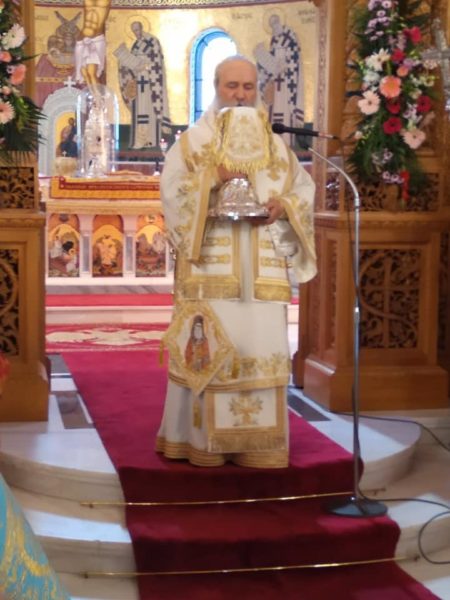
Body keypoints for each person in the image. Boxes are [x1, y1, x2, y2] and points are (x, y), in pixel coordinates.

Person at [156, 55, 316, 469]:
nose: (241, 95)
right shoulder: (193, 142)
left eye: (248, 86)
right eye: (232, 86)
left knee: (260, 352)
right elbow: (172, 193)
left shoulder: (276, 146)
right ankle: (201, 443)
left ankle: (260, 446)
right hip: (211, 273)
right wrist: (212, 178)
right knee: (210, 353)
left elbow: (303, 189)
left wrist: (284, 206)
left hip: (262, 277)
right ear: (216, 87)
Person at [114, 21, 171, 149]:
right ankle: (139, 140)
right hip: (138, 82)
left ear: (142, 28)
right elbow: (130, 65)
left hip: (151, 83)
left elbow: (157, 62)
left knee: (150, 110)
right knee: (139, 111)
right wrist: (124, 59)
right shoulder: (135, 45)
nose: (136, 33)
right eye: (133, 31)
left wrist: (145, 66)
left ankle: (151, 139)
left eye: (137, 29)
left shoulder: (152, 41)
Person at [254, 14, 305, 145]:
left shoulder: (290, 36)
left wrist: (284, 65)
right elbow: (270, 66)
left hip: (287, 84)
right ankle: (275, 145)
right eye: (272, 25)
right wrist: (262, 58)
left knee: (285, 114)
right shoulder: (274, 40)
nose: (274, 27)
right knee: (274, 114)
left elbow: (294, 60)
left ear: (279, 22)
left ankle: (286, 145)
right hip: (276, 85)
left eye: (275, 23)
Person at [75, 0, 111, 87]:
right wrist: (81, 40)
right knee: (84, 72)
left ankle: (98, 95)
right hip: (83, 41)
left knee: (91, 73)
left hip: (96, 40)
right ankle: (94, 94)